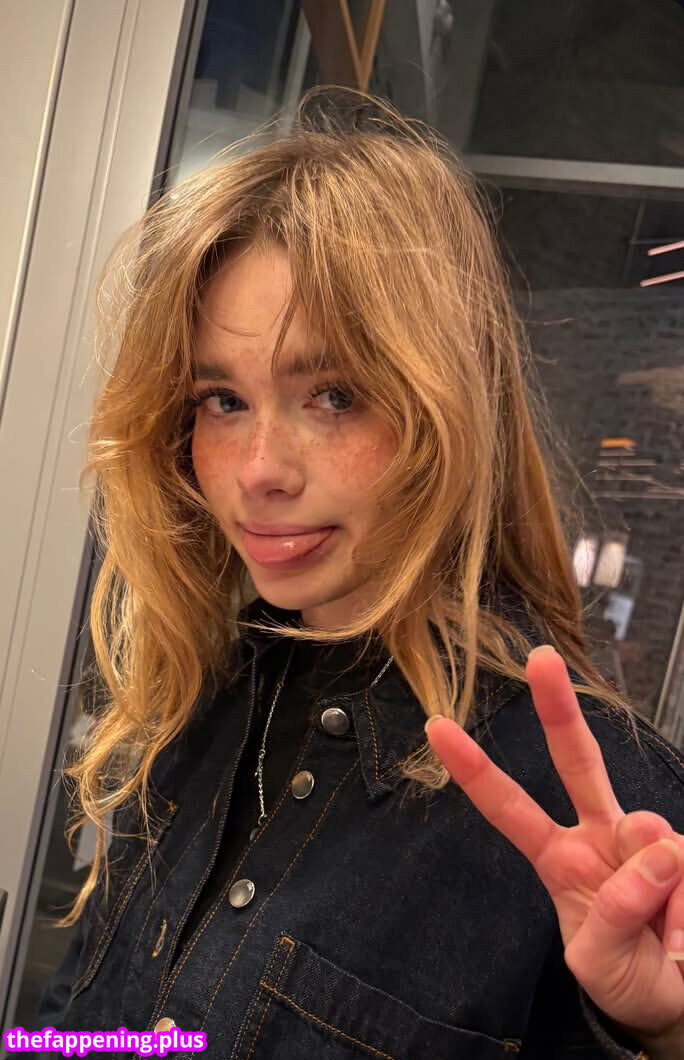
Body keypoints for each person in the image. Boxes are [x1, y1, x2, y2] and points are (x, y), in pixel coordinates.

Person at [34, 87, 684, 1059]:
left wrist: (664, 1030)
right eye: (222, 400)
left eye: (333, 395)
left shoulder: (608, 808)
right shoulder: (203, 696)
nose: (258, 471)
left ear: (448, 410)